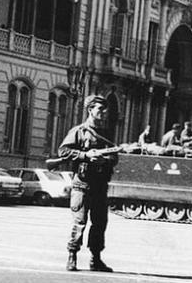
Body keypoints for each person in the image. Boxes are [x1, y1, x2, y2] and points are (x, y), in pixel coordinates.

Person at [58, 94, 117, 272]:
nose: (103, 113)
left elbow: (114, 157)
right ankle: (72, 256)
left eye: (105, 110)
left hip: (100, 185)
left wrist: (104, 161)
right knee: (79, 222)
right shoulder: (79, 131)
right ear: (90, 110)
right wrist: (85, 155)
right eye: (100, 109)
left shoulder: (106, 134)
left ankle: (95, 259)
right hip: (82, 185)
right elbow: (63, 151)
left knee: (99, 224)